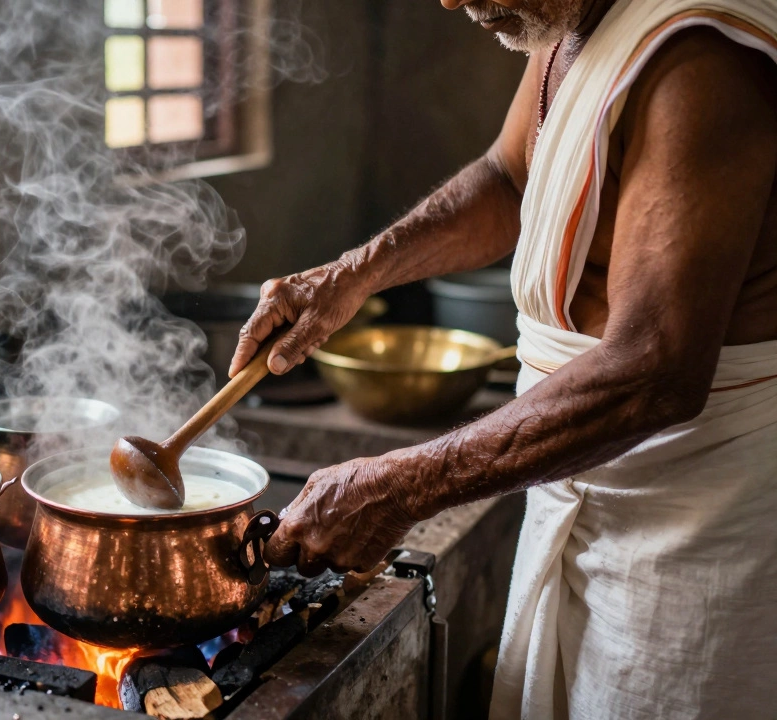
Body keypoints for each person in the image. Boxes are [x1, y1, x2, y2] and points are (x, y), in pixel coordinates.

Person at [229, 0, 777, 717]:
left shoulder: (698, 61)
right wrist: (352, 274)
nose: (452, 2)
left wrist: (400, 488)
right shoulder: (575, 25)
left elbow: (656, 371)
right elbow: (512, 177)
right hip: (584, 488)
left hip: (694, 529)